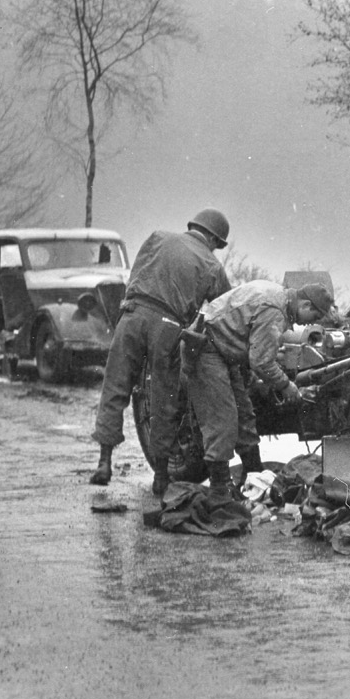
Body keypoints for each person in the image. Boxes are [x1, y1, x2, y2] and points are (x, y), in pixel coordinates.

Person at [88, 209, 233, 494]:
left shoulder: (157, 237)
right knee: (163, 398)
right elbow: (224, 307)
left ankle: (104, 463)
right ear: (215, 239)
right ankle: (162, 476)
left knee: (114, 387)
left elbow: (136, 274)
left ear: (193, 226)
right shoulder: (212, 265)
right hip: (167, 326)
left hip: (132, 315)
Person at [185, 280, 333, 499]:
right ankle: (220, 489)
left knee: (244, 413)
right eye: (314, 318)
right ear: (306, 306)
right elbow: (262, 363)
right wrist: (287, 386)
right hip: (207, 349)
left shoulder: (276, 295)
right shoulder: (275, 311)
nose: (307, 325)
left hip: (224, 350)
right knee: (223, 418)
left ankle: (253, 472)